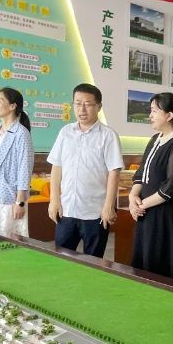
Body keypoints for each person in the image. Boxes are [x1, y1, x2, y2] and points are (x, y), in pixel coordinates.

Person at [47, 83, 124, 259]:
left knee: (93, 262)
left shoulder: (108, 135)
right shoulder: (65, 132)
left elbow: (114, 173)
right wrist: (54, 200)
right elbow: (56, 167)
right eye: (77, 103)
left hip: (95, 213)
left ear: (99, 107)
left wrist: (109, 206)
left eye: (88, 104)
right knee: (61, 260)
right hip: (66, 210)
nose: (82, 109)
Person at [129, 92, 173, 282]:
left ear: (169, 115)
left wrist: (141, 205)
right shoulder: (155, 138)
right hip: (146, 213)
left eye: (154, 111)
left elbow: (171, 186)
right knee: (144, 261)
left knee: (162, 264)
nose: (150, 115)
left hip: (165, 215)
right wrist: (133, 197)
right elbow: (141, 173)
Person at [0, 87, 34, 239]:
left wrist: (20, 202)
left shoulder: (21, 133)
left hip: (9, 198)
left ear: (12, 106)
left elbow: (25, 168)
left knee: (7, 240)